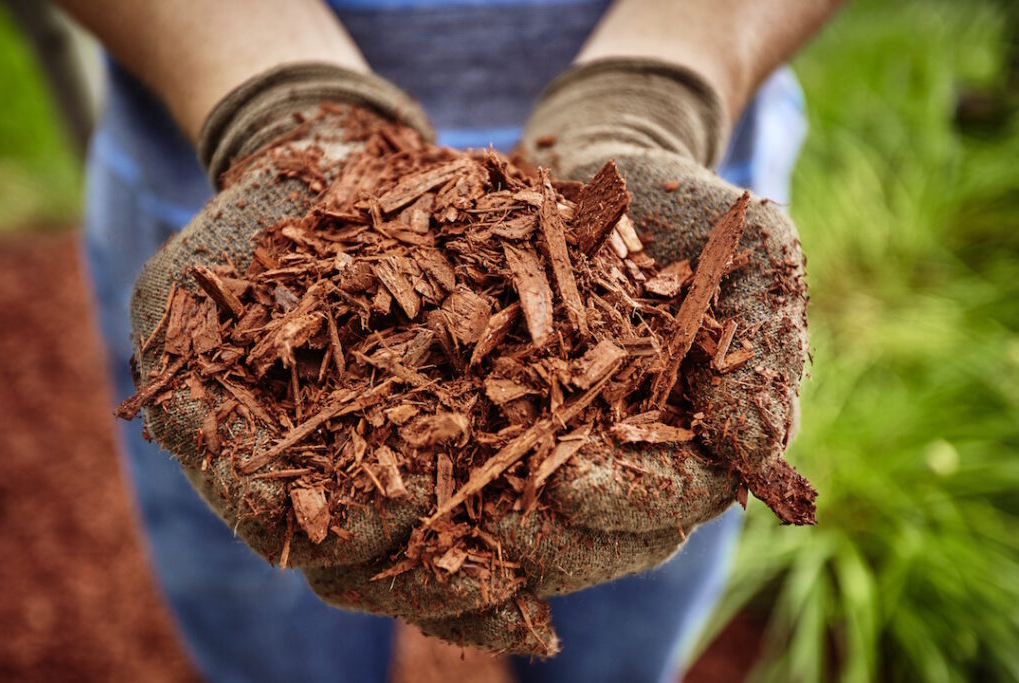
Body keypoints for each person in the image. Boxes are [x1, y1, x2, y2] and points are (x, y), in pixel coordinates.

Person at [58, 1, 842, 681]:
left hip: (672, 180)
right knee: (276, 639)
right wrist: (275, 100)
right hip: (231, 186)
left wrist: (655, 91)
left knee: (622, 636)